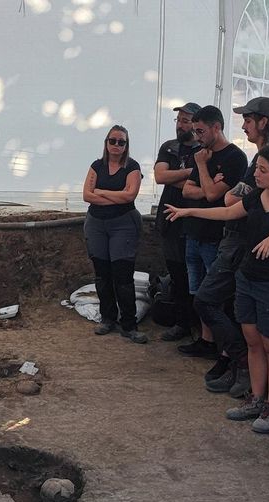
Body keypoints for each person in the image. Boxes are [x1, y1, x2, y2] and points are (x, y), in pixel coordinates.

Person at [165, 141, 269, 433]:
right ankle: (256, 399)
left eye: (262, 170)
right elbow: (227, 213)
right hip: (248, 278)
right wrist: (188, 212)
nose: (255, 174)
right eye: (257, 167)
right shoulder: (257, 196)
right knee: (253, 342)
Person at [195, 96, 269, 396]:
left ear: (263, 122)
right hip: (238, 240)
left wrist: (227, 193)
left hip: (242, 242)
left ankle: (241, 362)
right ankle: (237, 364)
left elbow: (229, 199)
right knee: (230, 307)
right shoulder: (260, 159)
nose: (244, 126)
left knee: (206, 300)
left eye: (248, 120)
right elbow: (226, 197)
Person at [175, 105, 247, 359]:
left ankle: (224, 347)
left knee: (214, 293)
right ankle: (206, 340)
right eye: (195, 131)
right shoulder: (202, 155)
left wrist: (203, 170)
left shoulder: (234, 157)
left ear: (216, 127)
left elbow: (215, 195)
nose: (197, 136)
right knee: (198, 290)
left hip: (215, 235)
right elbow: (188, 190)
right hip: (193, 231)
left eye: (201, 131)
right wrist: (207, 187)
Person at [83, 124, 146, 343]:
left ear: (126, 145)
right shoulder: (96, 165)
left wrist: (101, 192)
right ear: (106, 143)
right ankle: (107, 318)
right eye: (113, 141)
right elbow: (87, 195)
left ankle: (129, 324)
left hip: (123, 224)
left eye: (121, 142)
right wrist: (115, 196)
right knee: (102, 274)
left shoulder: (132, 167)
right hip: (96, 224)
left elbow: (130, 196)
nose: (116, 145)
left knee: (123, 274)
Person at [153, 102, 203, 341]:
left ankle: (197, 325)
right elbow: (160, 176)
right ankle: (182, 323)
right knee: (177, 273)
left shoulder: (204, 150)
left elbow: (202, 186)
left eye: (185, 120)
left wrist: (178, 179)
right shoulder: (169, 147)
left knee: (195, 275)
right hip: (169, 221)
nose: (180, 125)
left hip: (194, 221)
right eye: (178, 120)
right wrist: (189, 173)